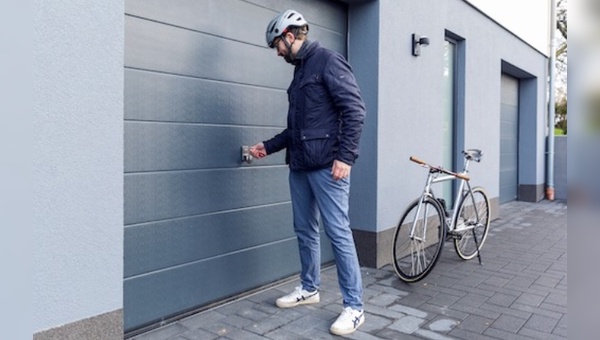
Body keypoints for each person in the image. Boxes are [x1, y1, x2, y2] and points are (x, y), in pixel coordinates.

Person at [249, 9, 367, 336]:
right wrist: (267, 147)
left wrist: (346, 156)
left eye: (277, 44)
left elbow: (355, 110)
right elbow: (295, 129)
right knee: (304, 230)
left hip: (329, 167)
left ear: (289, 35)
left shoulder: (328, 61)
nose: (277, 52)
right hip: (300, 166)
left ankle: (355, 307)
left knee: (338, 233)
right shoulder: (299, 72)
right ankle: (309, 288)